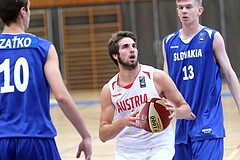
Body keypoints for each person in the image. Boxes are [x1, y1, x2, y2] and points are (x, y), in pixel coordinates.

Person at [0, 0, 92, 159]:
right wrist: (85, 135)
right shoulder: (42, 47)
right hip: (37, 138)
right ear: (23, 12)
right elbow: (61, 97)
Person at [99, 30, 196, 160]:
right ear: (115, 55)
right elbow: (103, 135)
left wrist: (176, 112)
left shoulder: (156, 77)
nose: (132, 50)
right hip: (127, 151)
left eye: (134, 46)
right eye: (125, 47)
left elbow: (187, 110)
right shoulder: (109, 90)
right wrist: (123, 122)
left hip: (159, 147)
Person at [162, 0, 240, 159]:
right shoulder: (168, 42)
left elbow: (230, 74)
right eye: (180, 7)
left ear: (200, 10)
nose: (184, 11)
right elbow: (166, 85)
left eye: (189, 7)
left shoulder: (212, 37)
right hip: (182, 127)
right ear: (177, 11)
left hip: (208, 125)